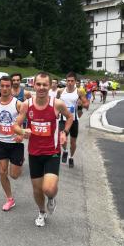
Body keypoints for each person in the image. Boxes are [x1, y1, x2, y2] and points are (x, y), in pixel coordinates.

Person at [14, 72, 73, 227]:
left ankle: (52, 198)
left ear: (50, 85)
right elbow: (16, 125)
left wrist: (64, 132)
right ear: (34, 85)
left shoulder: (57, 104)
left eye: (44, 84)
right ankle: (41, 211)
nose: (41, 87)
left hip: (52, 152)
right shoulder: (27, 104)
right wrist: (22, 132)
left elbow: (70, 117)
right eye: (38, 84)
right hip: (34, 153)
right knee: (37, 189)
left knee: (48, 188)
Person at [0, 76, 24, 211]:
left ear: (11, 87)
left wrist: (21, 134)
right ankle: (10, 199)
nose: (5, 88)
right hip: (1, 142)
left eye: (8, 86)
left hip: (15, 143)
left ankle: (19, 161)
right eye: (3, 86)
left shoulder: (18, 104)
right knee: (2, 172)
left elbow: (27, 120)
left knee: (14, 175)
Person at [57, 72, 89, 168]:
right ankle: (65, 151)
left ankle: (71, 157)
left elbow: (86, 104)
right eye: (68, 81)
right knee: (62, 139)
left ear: (75, 81)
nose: (70, 83)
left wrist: (81, 105)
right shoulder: (61, 91)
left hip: (74, 120)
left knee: (73, 142)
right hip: (63, 119)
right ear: (66, 81)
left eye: (72, 81)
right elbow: (55, 102)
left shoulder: (79, 92)